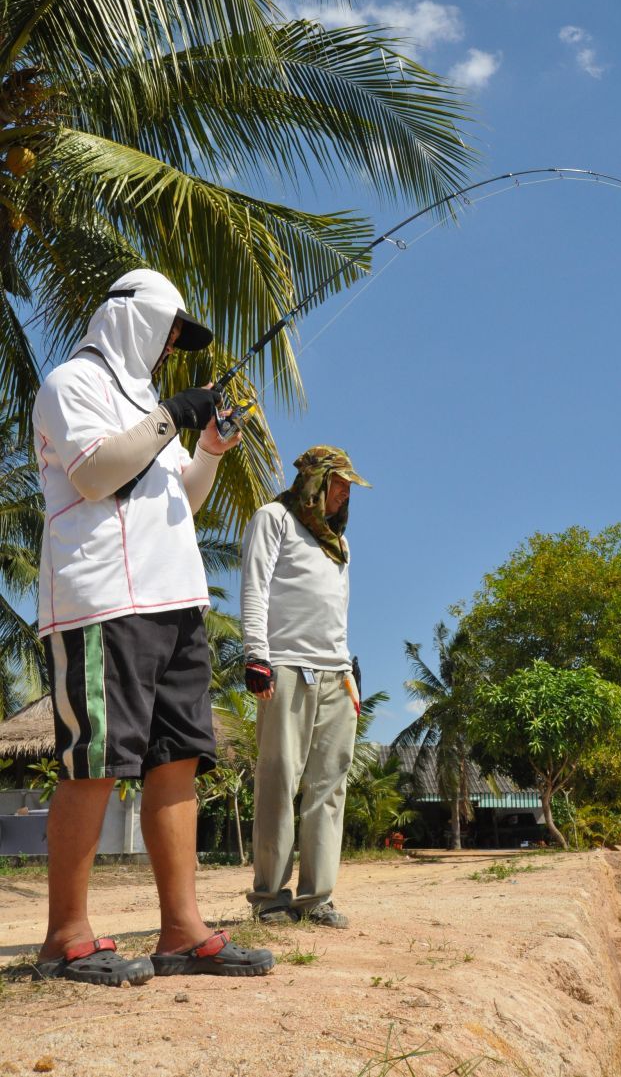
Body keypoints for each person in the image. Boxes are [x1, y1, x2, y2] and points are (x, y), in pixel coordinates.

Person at [32, 267, 274, 985]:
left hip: (175, 605)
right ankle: (66, 936)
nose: (174, 346)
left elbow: (178, 504)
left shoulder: (146, 407)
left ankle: (182, 930)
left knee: (177, 763)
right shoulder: (69, 384)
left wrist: (207, 452)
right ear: (139, 320)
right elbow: (96, 475)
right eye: (172, 331)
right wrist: (172, 416)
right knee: (96, 763)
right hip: (102, 604)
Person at [241, 445, 370, 928]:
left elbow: (335, 610)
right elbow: (254, 586)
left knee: (329, 787)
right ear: (314, 482)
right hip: (286, 667)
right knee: (278, 781)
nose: (343, 494)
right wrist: (257, 654)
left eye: (348, 488)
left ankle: (316, 898)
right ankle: (270, 897)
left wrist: (349, 671)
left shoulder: (339, 544)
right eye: (337, 484)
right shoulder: (273, 518)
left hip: (336, 674)